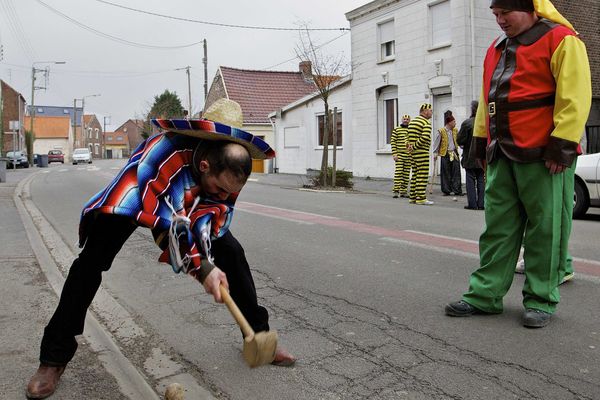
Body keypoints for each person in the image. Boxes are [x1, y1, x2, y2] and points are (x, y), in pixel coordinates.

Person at [26, 99, 296, 399]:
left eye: (231, 191)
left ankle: (258, 335)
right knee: (90, 265)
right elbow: (167, 224)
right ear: (205, 164)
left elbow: (212, 217)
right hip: (133, 199)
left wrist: (210, 262)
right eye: (221, 189)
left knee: (231, 253)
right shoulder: (163, 153)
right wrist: (203, 269)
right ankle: (53, 359)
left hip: (182, 205)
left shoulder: (231, 167)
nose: (226, 195)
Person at [445, 0, 591, 328]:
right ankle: (484, 295)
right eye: (495, 14)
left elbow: (575, 97)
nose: (499, 20)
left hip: (545, 156)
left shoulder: (562, 39)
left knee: (546, 230)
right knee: (498, 228)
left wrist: (562, 146)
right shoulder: (496, 49)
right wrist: (480, 145)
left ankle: (541, 299)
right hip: (502, 154)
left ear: (528, 7)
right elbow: (488, 101)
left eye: (504, 14)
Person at [457, 101, 485, 210]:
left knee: (470, 180)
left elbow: (460, 139)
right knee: (481, 179)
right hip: (482, 156)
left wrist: (463, 144)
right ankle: (482, 203)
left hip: (469, 155)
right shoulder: (484, 122)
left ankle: (472, 204)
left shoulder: (467, 123)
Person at [407, 103, 434, 205]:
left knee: (415, 174)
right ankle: (421, 198)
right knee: (422, 175)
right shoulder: (425, 122)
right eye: (430, 110)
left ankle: (413, 197)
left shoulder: (413, 121)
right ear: (425, 111)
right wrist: (415, 146)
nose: (431, 112)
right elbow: (425, 137)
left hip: (413, 154)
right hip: (422, 152)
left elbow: (407, 137)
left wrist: (410, 147)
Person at [433, 110, 462, 197]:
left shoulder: (455, 130)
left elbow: (459, 140)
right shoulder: (441, 131)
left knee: (456, 172)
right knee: (445, 172)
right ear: (449, 122)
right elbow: (436, 142)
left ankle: (457, 189)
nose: (455, 123)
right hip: (445, 153)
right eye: (454, 122)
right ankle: (446, 190)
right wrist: (435, 153)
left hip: (454, 153)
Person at [391, 114, 411, 198]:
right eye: (404, 119)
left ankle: (403, 191)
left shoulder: (411, 130)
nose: (406, 120)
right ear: (402, 120)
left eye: (407, 119)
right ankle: (396, 191)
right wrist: (394, 154)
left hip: (408, 156)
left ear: (409, 121)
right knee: (398, 173)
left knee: (406, 174)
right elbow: (393, 142)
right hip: (399, 155)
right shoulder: (397, 129)